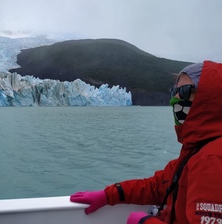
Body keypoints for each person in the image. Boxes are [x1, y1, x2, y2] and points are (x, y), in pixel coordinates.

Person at [70, 60, 222, 224]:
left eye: (184, 91)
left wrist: (144, 222)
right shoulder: (195, 151)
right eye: (174, 92)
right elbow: (157, 186)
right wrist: (109, 194)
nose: (176, 98)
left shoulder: (212, 159)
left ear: (209, 97)